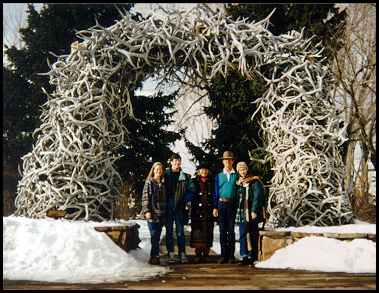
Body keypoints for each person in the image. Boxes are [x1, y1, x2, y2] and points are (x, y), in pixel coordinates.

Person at [164, 153, 192, 264]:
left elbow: (191, 190)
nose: (177, 163)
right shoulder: (165, 174)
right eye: (175, 161)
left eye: (178, 161)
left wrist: (185, 199)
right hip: (168, 206)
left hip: (180, 206)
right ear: (171, 162)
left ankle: (182, 253)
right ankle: (171, 253)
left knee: (180, 231)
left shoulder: (185, 176)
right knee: (169, 231)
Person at [213, 150, 238, 264]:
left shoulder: (236, 175)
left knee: (231, 231)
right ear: (223, 162)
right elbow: (215, 192)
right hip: (221, 204)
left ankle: (231, 256)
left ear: (232, 161)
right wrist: (215, 207)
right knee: (222, 231)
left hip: (232, 204)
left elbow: (238, 191)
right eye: (225, 160)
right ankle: (223, 255)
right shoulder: (219, 176)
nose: (227, 162)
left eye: (229, 160)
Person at [188, 162, 215, 263]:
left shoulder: (212, 182)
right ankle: (198, 254)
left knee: (208, 231)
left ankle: (206, 254)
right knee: (197, 232)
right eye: (202, 170)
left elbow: (214, 195)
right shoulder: (194, 181)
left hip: (208, 210)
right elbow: (190, 193)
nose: (204, 171)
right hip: (196, 211)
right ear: (198, 171)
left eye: (205, 170)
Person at [141, 162, 167, 265]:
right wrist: (146, 211)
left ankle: (155, 255)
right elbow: (145, 197)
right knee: (154, 235)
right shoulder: (149, 182)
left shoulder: (164, 183)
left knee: (158, 236)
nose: (159, 171)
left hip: (162, 213)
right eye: (157, 169)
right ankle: (154, 256)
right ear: (153, 170)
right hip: (152, 213)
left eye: (160, 169)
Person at [235, 161, 256, 265]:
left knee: (251, 233)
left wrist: (254, 210)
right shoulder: (238, 183)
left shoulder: (254, 181)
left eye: (244, 169)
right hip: (242, 211)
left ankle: (252, 255)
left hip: (250, 210)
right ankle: (244, 255)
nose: (243, 171)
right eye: (240, 170)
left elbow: (257, 197)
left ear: (247, 169)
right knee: (243, 233)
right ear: (238, 171)